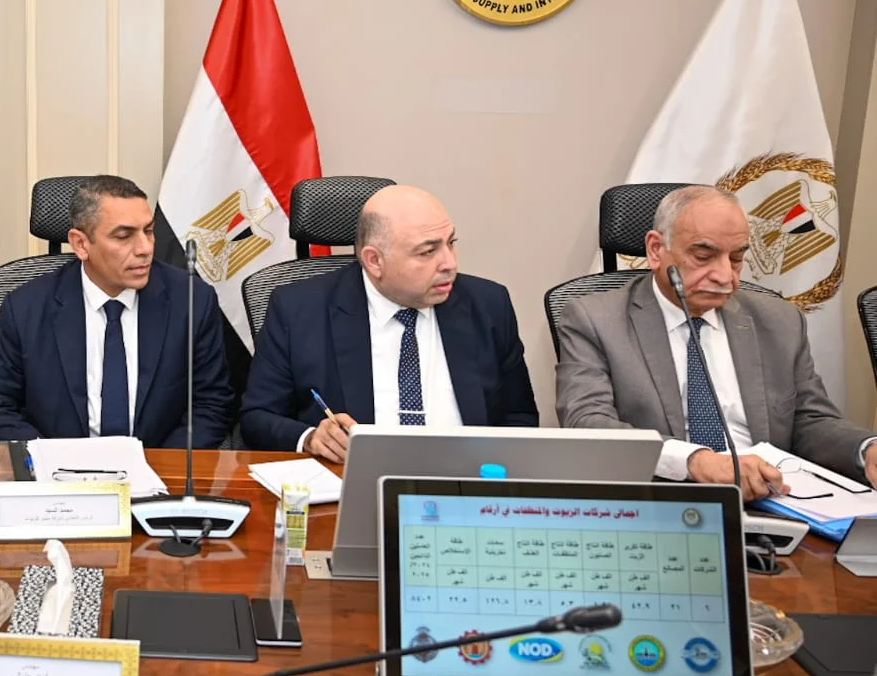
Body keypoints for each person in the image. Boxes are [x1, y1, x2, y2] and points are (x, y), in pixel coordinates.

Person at [556, 185, 876, 499]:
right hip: (660, 498)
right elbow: (588, 423)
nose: (725, 277)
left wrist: (866, 449)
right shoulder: (595, 320)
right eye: (703, 256)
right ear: (656, 250)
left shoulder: (779, 321)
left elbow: (810, 420)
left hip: (769, 496)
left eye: (736, 259)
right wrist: (695, 460)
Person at [240, 185, 537, 461]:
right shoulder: (299, 310)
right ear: (374, 261)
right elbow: (257, 417)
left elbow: (519, 417)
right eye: (428, 251)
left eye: (451, 243)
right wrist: (310, 438)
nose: (450, 263)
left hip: (466, 477)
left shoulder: (488, 305)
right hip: (350, 480)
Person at [0, 175, 232, 446]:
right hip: (59, 466)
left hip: (157, 465)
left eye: (148, 231)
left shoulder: (192, 300)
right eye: (124, 236)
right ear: (81, 244)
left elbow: (212, 404)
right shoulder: (27, 307)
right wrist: (47, 456)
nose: (145, 248)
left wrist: (160, 465)